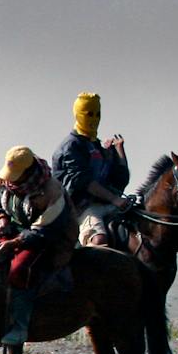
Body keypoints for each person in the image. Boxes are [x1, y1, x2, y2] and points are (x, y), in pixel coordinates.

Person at [0, 146, 78, 345]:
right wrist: (0, 218)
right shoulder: (4, 180)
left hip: (48, 238)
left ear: (28, 172)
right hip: (15, 230)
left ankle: (19, 325)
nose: (10, 180)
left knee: (20, 269)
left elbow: (45, 230)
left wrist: (14, 243)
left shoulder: (52, 191)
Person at [52, 91, 132, 247]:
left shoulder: (96, 145)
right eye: (89, 114)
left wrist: (118, 152)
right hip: (80, 208)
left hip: (105, 204)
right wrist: (114, 199)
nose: (94, 119)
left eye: (97, 114)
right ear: (79, 114)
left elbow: (120, 180)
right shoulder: (71, 146)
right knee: (99, 240)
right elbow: (84, 182)